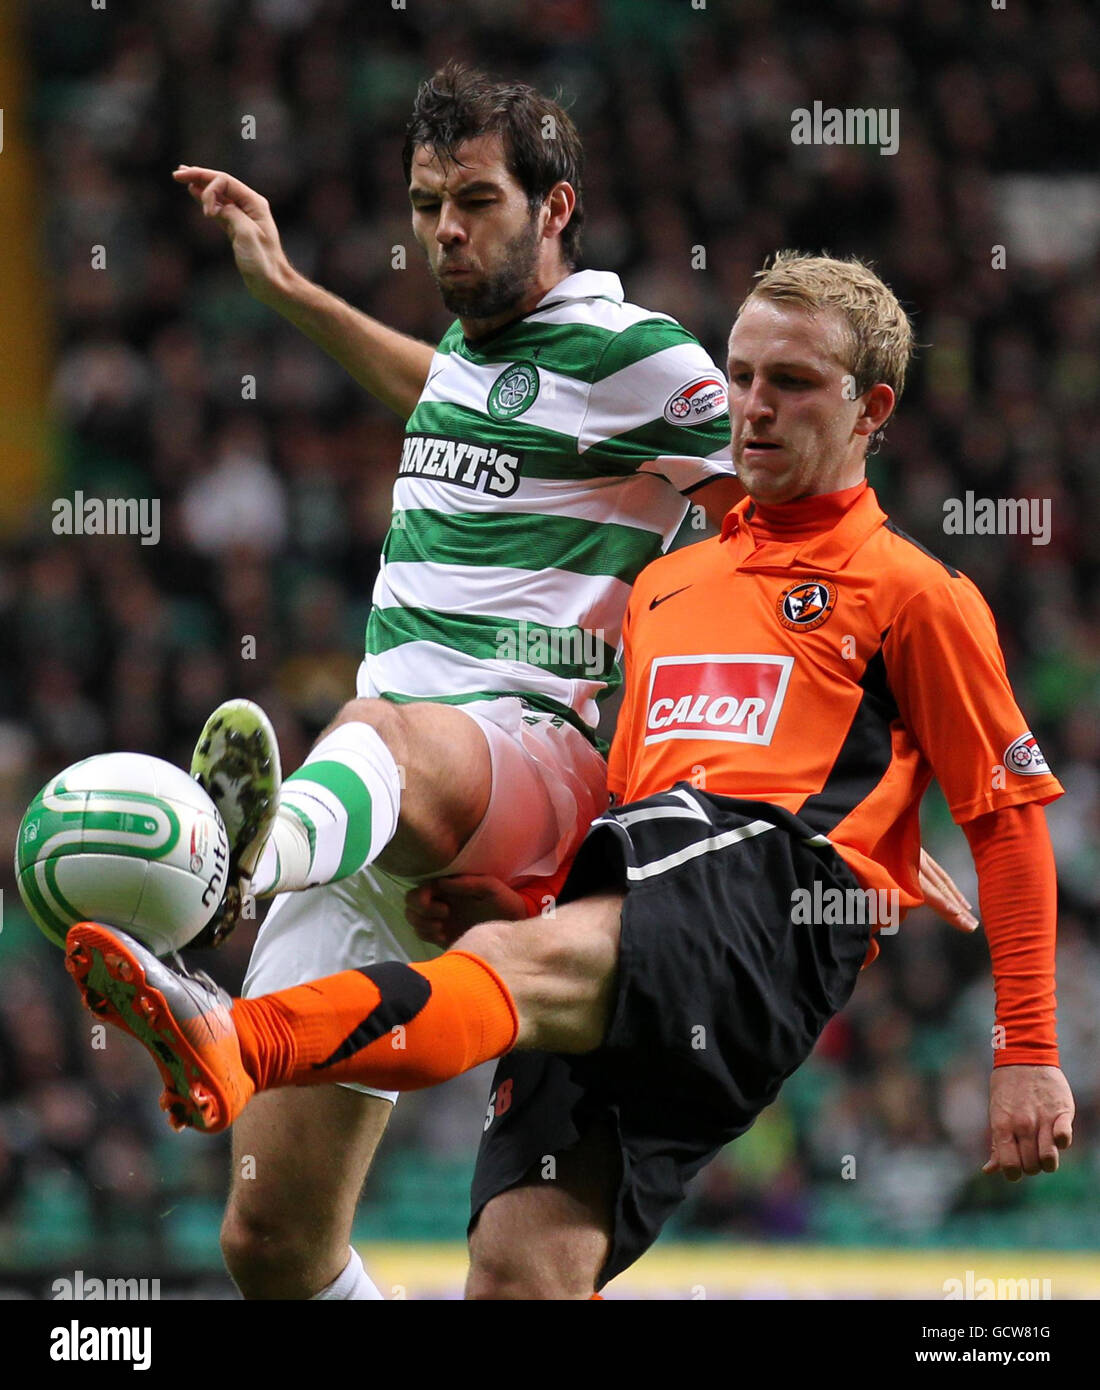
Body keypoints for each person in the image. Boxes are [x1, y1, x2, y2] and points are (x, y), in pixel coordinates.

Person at [66, 251, 1069, 1300]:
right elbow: (634, 805)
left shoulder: (912, 591)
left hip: (773, 895)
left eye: (793, 383)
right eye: (739, 376)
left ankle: (239, 1037)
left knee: (518, 964)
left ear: (871, 409)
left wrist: (1027, 1048)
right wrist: (535, 899)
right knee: (520, 1273)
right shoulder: (668, 584)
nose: (753, 408)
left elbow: (1005, 824)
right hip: (650, 896)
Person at [169, 60, 743, 1301]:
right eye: (426, 201)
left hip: (523, 753)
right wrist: (285, 290)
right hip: (376, 814)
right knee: (271, 1245)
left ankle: (220, 870)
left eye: (474, 200)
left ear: (556, 208)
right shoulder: (469, 352)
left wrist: (832, 768)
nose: (442, 229)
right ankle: (265, 855)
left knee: (377, 721)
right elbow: (438, 398)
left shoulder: (641, 356)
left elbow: (801, 542)